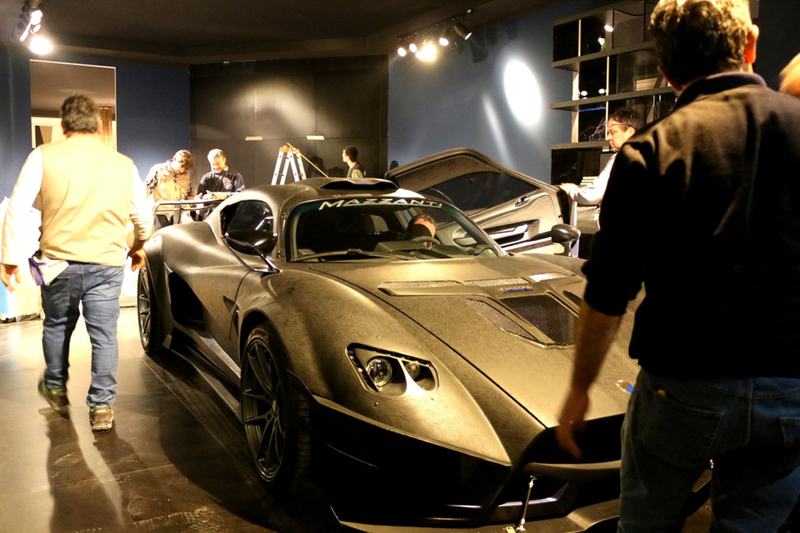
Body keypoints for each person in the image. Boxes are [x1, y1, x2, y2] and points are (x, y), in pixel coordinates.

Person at [556, 1, 800, 531]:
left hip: (683, 386)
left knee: (645, 523)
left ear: (666, 71)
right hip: (791, 388)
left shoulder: (649, 153)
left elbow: (607, 295)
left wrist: (578, 390)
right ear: (751, 45)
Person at [0, 94, 153, 432]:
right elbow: (143, 216)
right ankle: (101, 406)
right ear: (98, 127)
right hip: (107, 263)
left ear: (63, 125)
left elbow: (16, 207)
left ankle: (55, 387)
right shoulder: (123, 163)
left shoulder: (43, 155)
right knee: (104, 336)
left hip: (57, 262)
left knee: (56, 326)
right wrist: (139, 246)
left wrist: (8, 260)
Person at [559, 108, 642, 211]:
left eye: (613, 132)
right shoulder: (650, 155)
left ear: (630, 132)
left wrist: (573, 191)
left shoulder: (623, 157)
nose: (608, 138)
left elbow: (592, 195)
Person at [145, 150, 194, 230]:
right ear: (174, 159)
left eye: (185, 169)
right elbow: (146, 189)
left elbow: (188, 195)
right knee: (162, 239)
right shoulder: (158, 170)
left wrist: (195, 198)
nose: (182, 171)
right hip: (161, 213)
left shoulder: (186, 175)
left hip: (180, 214)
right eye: (181, 167)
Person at [196, 149, 245, 219]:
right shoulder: (206, 177)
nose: (215, 167)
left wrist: (224, 196)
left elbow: (241, 195)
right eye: (213, 164)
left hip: (230, 214)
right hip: (210, 216)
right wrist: (203, 197)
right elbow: (200, 196)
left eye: (218, 164)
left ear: (224, 160)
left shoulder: (235, 175)